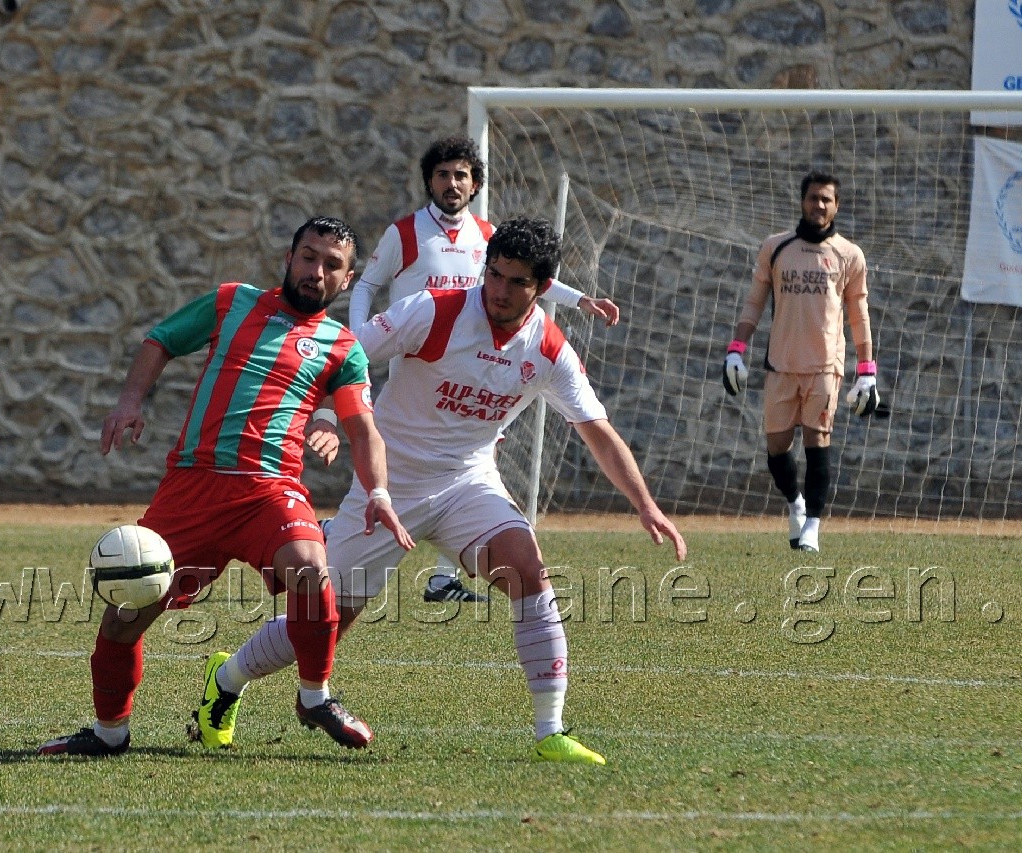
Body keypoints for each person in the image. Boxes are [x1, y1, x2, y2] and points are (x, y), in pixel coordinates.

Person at [191, 218, 686, 765]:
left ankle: (551, 731)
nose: (499, 290)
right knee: (327, 621)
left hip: (467, 482)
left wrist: (645, 505)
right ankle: (228, 677)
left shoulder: (548, 347)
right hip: (390, 485)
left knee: (527, 568)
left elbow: (597, 429)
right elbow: (345, 353)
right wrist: (330, 414)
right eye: (493, 274)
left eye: (516, 282)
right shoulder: (433, 309)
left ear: (542, 289)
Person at [37, 216, 415, 757]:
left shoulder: (341, 346)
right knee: (126, 613)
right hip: (192, 487)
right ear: (289, 260)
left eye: (332, 265)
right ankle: (108, 732)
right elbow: (161, 339)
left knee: (311, 566)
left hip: (268, 489)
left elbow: (363, 428)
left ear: (348, 280)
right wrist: (129, 402)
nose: (317, 271)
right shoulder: (231, 302)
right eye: (308, 257)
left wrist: (378, 492)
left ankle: (315, 696)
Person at [342, 135, 621, 604]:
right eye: (443, 174)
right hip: (414, 362)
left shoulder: (489, 237)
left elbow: (530, 278)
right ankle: (357, 529)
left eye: (461, 175)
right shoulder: (404, 233)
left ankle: (441, 577)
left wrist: (580, 300)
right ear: (430, 180)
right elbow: (366, 286)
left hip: (474, 365)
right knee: (407, 468)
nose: (452, 183)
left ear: (474, 185)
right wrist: (359, 352)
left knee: (476, 462)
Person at [721, 170, 879, 553]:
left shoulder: (849, 255)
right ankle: (795, 502)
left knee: (817, 441)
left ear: (836, 206)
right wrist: (736, 349)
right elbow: (755, 301)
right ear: (802, 202)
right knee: (777, 449)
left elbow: (858, 315)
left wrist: (867, 372)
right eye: (813, 197)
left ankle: (813, 526)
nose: (819, 205)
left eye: (826, 199)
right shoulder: (776, 248)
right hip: (780, 364)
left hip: (826, 366)